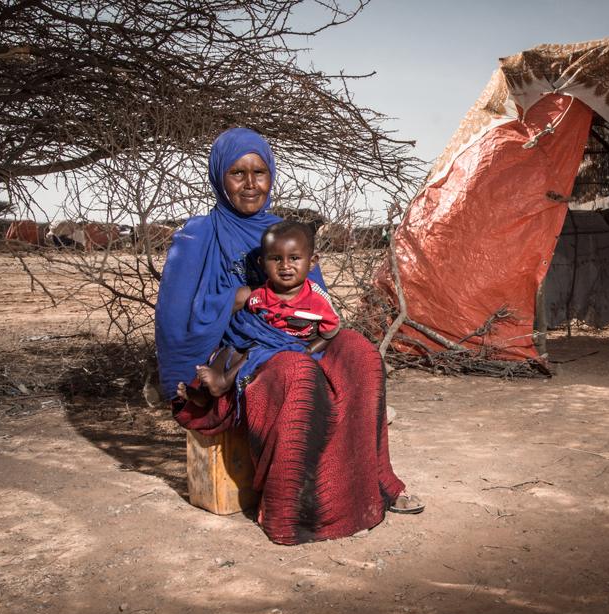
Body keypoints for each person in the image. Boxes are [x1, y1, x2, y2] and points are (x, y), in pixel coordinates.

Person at [155, 127, 423, 545]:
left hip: (298, 341)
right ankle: (293, 511)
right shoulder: (197, 237)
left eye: (259, 172)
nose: (250, 184)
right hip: (243, 350)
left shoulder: (287, 234)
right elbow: (175, 322)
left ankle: (374, 484)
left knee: (359, 354)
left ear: (272, 174)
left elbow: (315, 303)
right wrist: (232, 299)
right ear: (218, 178)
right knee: (298, 373)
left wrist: (321, 333)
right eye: (237, 174)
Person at [176, 220, 339, 407]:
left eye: (294, 258)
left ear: (311, 262)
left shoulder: (317, 299)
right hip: (258, 340)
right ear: (262, 263)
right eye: (276, 259)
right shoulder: (260, 295)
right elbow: (251, 322)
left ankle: (223, 383)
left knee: (257, 353)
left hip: (289, 346)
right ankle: (204, 395)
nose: (285, 265)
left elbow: (331, 331)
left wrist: (309, 350)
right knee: (230, 347)